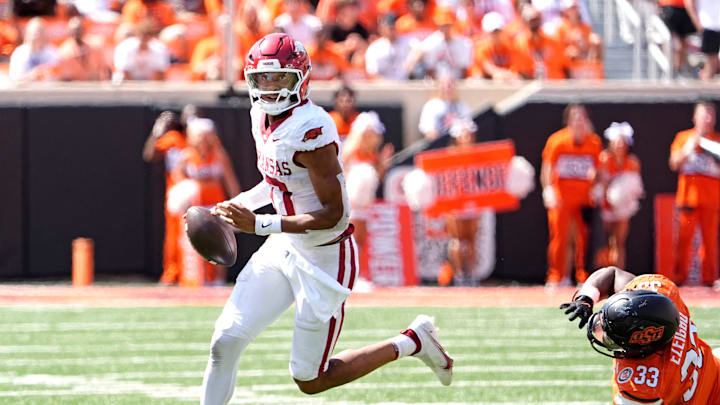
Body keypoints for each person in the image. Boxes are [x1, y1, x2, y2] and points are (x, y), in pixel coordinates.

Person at [204, 33, 453, 404]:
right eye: (263, 80)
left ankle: (412, 341)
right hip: (284, 246)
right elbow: (275, 183)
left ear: (301, 79)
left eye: (280, 79)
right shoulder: (261, 115)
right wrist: (232, 207)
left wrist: (258, 224)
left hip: (325, 257)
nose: (270, 89)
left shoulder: (311, 129)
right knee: (225, 341)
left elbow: (335, 216)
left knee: (310, 378)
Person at [560, 266, 720, 404]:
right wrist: (586, 297)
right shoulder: (663, 295)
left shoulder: (643, 385)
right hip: (713, 371)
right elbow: (613, 274)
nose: (603, 333)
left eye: (613, 339)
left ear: (642, 341)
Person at [541, 104, 602, 289]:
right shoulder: (557, 141)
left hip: (584, 198)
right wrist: (547, 189)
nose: (579, 121)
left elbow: (599, 168)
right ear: (568, 120)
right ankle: (556, 276)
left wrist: (597, 185)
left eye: (582, 117)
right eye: (575, 117)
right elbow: (547, 168)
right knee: (559, 238)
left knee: (583, 239)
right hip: (562, 198)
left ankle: (582, 276)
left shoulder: (593, 142)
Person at [173, 117, 240, 286]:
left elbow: (230, 180)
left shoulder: (218, 153)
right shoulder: (187, 155)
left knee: (220, 240)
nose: (203, 139)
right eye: (199, 135)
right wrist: (185, 192)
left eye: (206, 135)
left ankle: (218, 279)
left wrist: (237, 201)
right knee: (199, 241)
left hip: (216, 202)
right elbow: (177, 176)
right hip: (196, 204)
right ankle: (200, 278)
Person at [669, 102, 720, 288]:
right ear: (695, 117)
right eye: (703, 114)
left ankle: (709, 279)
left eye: (710, 115)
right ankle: (679, 278)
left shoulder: (717, 140)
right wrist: (693, 142)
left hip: (711, 199)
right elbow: (674, 163)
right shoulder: (683, 137)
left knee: (710, 243)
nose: (707, 119)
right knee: (683, 241)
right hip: (688, 198)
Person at [143, 108, 190, 285]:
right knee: (174, 235)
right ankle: (172, 272)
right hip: (177, 191)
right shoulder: (173, 139)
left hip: (200, 192)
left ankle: (197, 275)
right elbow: (150, 154)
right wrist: (157, 130)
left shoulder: (202, 137)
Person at [597, 122, 643, 269]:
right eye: (616, 143)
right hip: (605, 205)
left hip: (623, 208)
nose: (619, 146)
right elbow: (598, 181)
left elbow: (636, 186)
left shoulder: (633, 162)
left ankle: (618, 272)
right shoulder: (604, 159)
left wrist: (624, 199)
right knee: (604, 241)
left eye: (622, 143)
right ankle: (602, 273)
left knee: (619, 241)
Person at [364, 12, 416, 80]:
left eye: (394, 27)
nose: (392, 31)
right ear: (381, 28)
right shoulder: (374, 48)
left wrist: (411, 61)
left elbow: (419, 48)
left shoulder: (406, 40)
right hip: (383, 87)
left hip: (405, 84)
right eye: (389, 28)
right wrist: (390, 85)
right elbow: (373, 74)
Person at [418, 75, 473, 140]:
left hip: (458, 145)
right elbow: (428, 131)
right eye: (444, 85)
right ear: (438, 87)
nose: (447, 88)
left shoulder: (462, 105)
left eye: (450, 85)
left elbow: (469, 126)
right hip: (439, 144)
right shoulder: (431, 105)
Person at [55, 16, 110, 81]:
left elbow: (105, 69)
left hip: (96, 86)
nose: (76, 33)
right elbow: (65, 79)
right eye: (74, 31)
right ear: (69, 32)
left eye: (79, 29)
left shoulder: (95, 45)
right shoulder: (64, 52)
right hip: (75, 88)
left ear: (84, 30)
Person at [8, 17, 58, 81]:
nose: (36, 36)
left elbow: (57, 78)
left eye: (40, 32)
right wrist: (32, 76)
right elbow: (14, 80)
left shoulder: (53, 52)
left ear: (45, 34)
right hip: (24, 90)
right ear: (27, 34)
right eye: (33, 33)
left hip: (47, 90)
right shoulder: (19, 54)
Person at [684, 0, 720, 80]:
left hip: (714, 25)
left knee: (714, 64)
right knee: (711, 64)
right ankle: (706, 85)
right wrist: (697, 21)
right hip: (709, 26)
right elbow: (689, 3)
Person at [659, 0, 696, 74]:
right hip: (669, 6)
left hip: (684, 7)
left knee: (682, 39)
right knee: (670, 38)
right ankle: (669, 66)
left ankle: (678, 68)